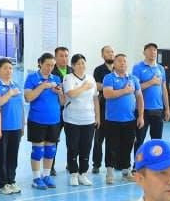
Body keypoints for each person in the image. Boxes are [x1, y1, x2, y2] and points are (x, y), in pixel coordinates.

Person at [23, 53, 62, 189]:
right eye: (47, 65)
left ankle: (46, 175)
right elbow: (28, 97)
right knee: (38, 151)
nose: (50, 68)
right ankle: (36, 178)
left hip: (54, 120)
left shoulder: (56, 78)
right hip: (37, 119)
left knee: (50, 150)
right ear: (40, 63)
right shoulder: (32, 78)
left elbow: (63, 102)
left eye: (52, 65)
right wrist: (43, 86)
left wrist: (59, 92)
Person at [100, 53, 141, 184]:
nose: (122, 63)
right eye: (119, 61)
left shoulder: (133, 78)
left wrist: (141, 116)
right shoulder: (109, 78)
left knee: (127, 146)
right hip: (112, 120)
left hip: (130, 119)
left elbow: (139, 97)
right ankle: (110, 173)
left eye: (124, 61)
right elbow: (107, 94)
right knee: (111, 146)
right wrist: (125, 91)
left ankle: (126, 172)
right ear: (114, 63)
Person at [61, 54, 98, 186]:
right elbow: (71, 94)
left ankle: (83, 173)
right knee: (73, 147)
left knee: (86, 147)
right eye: (78, 63)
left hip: (88, 119)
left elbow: (95, 98)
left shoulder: (91, 78)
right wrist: (84, 87)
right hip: (72, 120)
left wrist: (97, 116)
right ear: (73, 66)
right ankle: (73, 173)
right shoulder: (68, 78)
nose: (81, 66)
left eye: (83, 63)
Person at [0, 58, 24, 194]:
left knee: (13, 156)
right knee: (2, 157)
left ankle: (12, 180)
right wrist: (9, 93)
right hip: (2, 127)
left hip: (16, 127)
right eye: (5, 68)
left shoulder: (16, 85)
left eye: (10, 68)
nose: (8, 71)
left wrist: (22, 124)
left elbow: (21, 106)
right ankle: (3, 183)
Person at [133, 42, 169, 143]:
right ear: (144, 53)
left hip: (158, 109)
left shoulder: (160, 68)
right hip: (142, 110)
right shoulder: (138, 67)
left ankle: (154, 156)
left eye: (154, 50)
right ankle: (138, 155)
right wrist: (151, 82)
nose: (153, 52)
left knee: (157, 141)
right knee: (139, 141)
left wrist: (167, 108)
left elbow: (164, 89)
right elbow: (134, 88)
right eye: (149, 50)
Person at [91, 45, 115, 174]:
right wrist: (113, 85)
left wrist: (107, 86)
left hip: (115, 108)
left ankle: (112, 163)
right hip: (102, 107)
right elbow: (96, 86)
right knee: (99, 139)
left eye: (112, 52)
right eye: (107, 52)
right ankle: (96, 164)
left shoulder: (118, 69)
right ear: (102, 55)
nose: (111, 54)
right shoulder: (99, 70)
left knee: (113, 139)